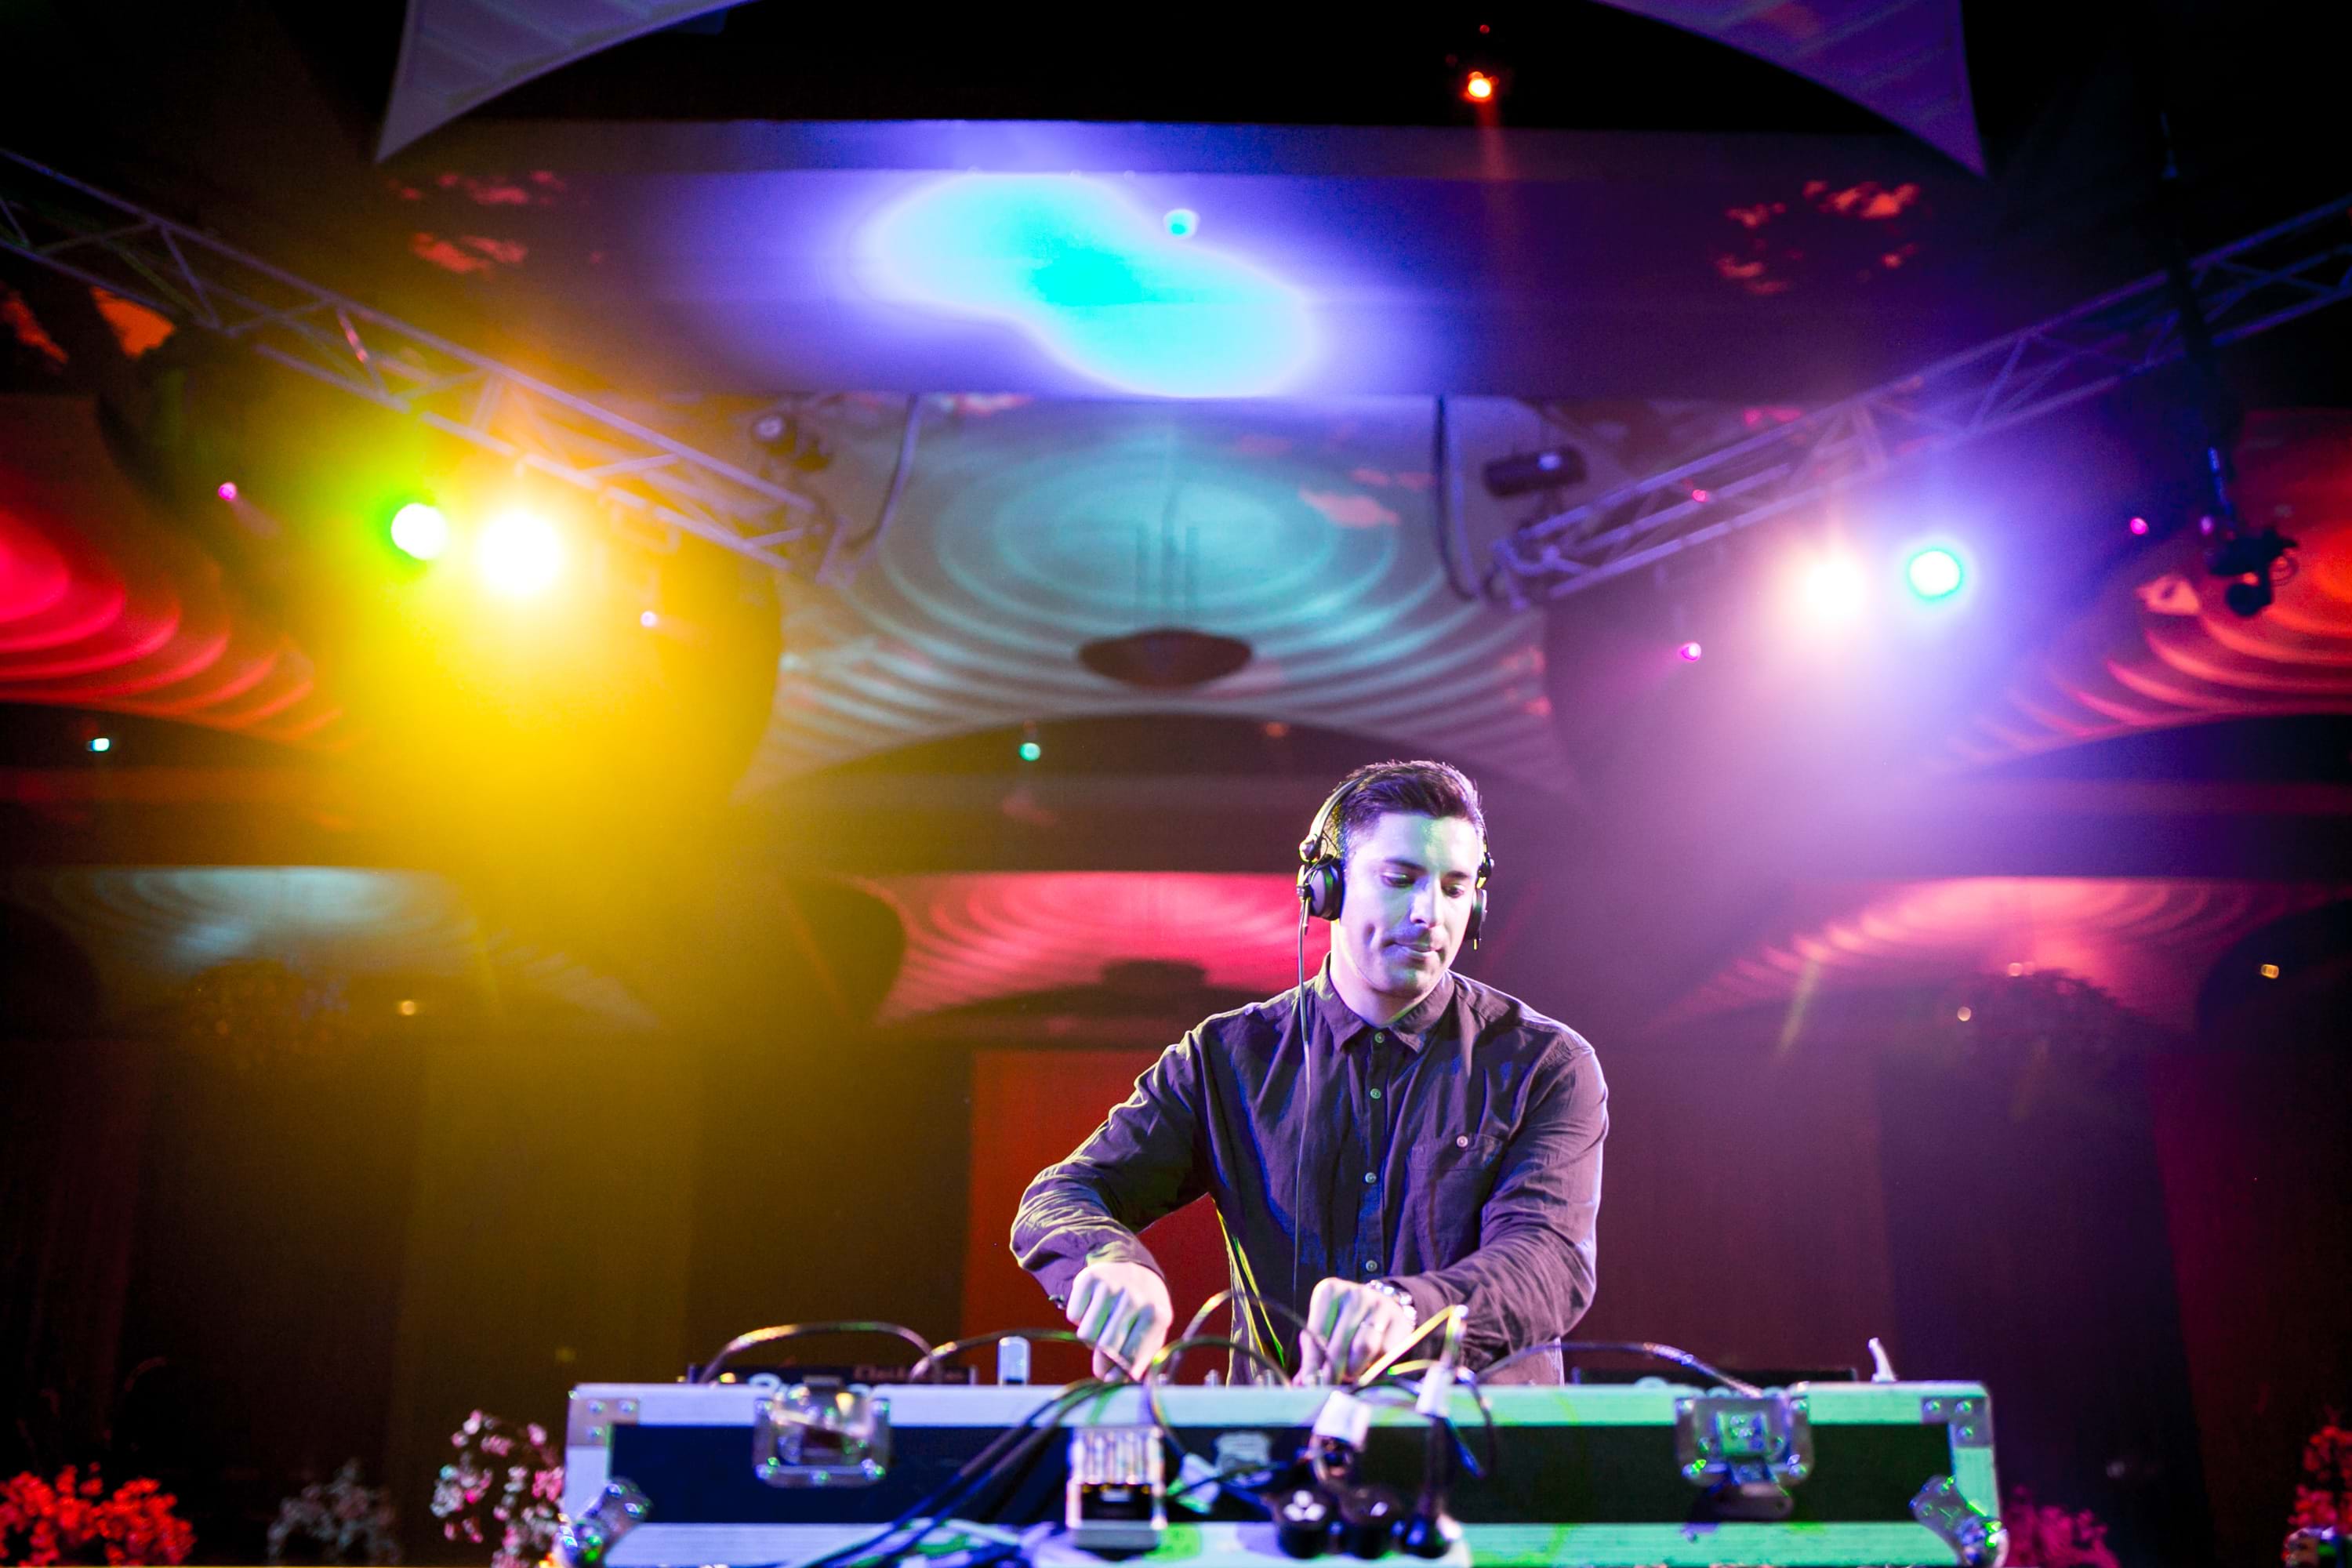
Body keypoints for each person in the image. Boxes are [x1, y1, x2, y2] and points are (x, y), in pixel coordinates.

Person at [1011, 759, 1606, 1386]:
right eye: (1400, 879)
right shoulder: (1224, 1059)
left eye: (1455, 888)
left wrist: (1408, 1310)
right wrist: (1108, 1261)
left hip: (1477, 1439)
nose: (1430, 913)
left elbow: (1549, 1263)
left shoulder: (1546, 1064)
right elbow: (1060, 1196)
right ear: (1328, 888)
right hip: (1285, 1444)